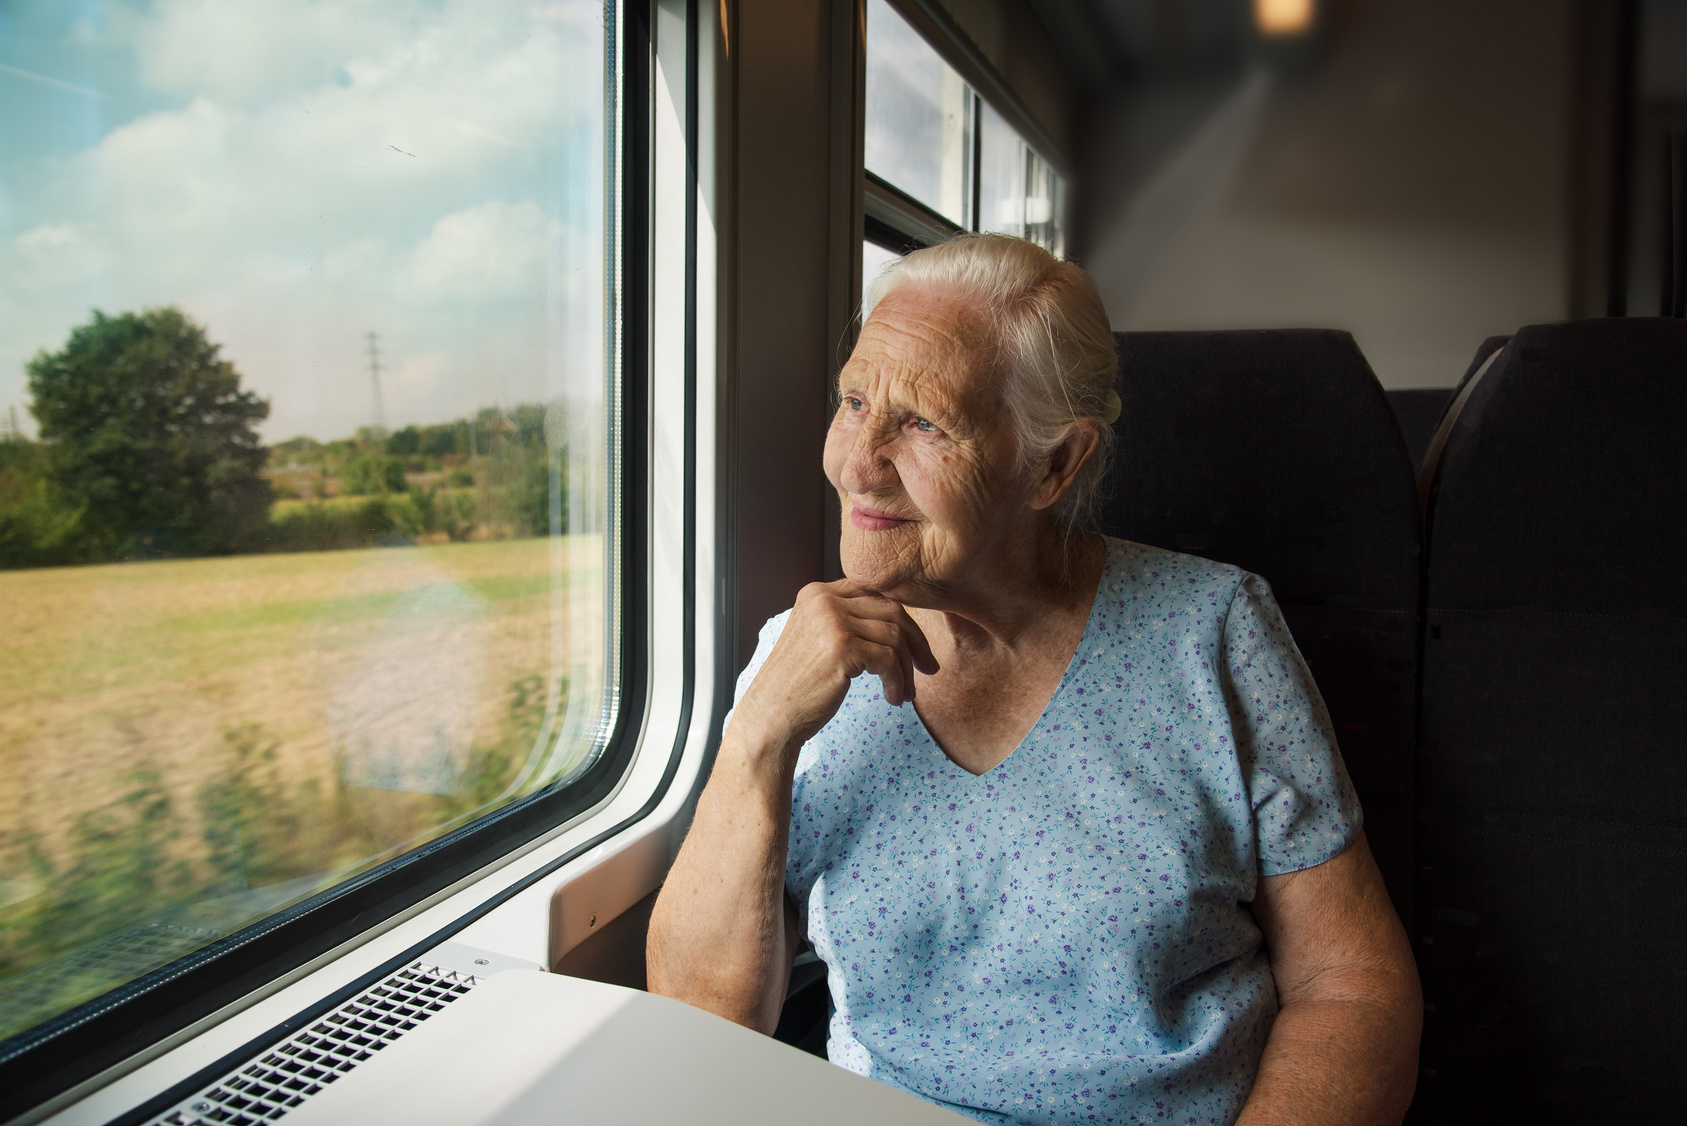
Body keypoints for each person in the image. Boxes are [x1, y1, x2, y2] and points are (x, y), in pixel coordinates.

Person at [647, 232, 1421, 1125]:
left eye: (924, 422)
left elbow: (1350, 985)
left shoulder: (1212, 631)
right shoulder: (796, 657)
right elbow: (703, 1022)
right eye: (853, 401)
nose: (856, 462)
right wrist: (758, 737)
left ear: (1053, 464)